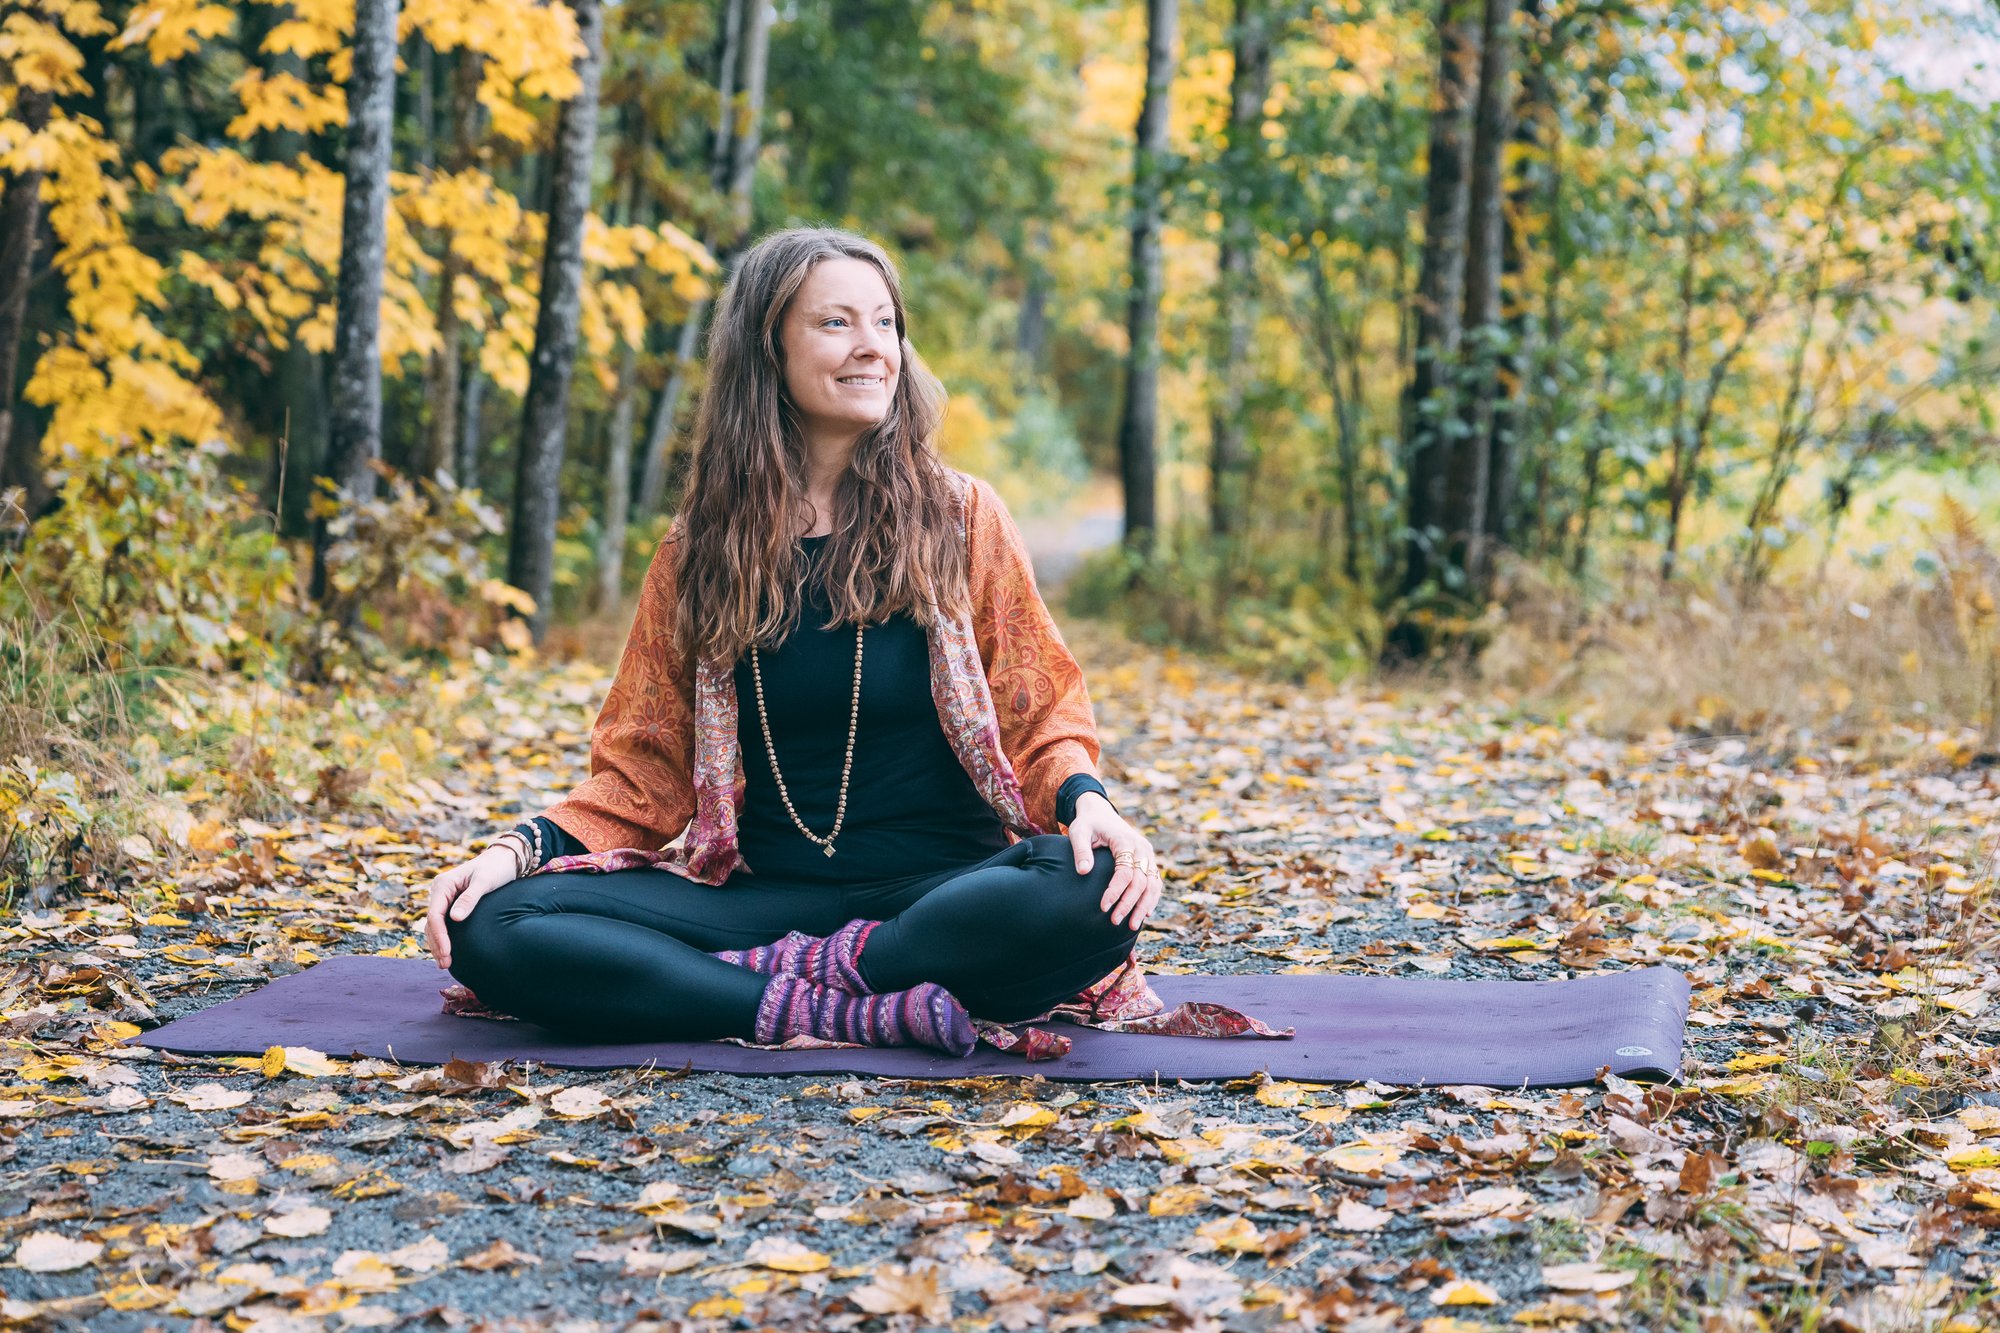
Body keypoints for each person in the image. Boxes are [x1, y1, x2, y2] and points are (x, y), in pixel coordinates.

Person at [418, 226, 1165, 1057]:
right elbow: (643, 770)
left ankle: (765, 983)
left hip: (939, 894)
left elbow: (1040, 703)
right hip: (762, 897)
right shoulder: (700, 546)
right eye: (837, 324)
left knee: (1087, 885)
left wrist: (1088, 803)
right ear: (767, 349)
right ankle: (834, 1007)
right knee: (490, 922)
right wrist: (515, 850)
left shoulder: (959, 518)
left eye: (885, 324)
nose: (873, 348)